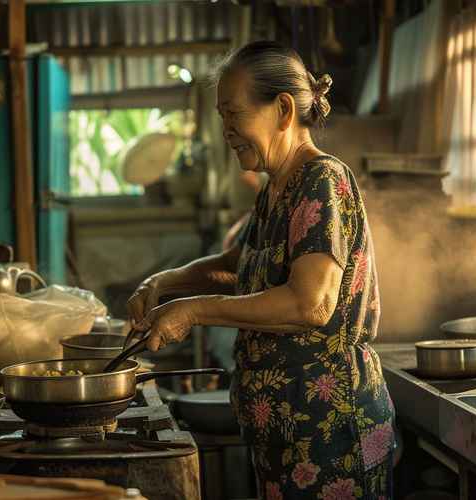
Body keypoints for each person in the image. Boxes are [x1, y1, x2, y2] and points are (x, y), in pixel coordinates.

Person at [127, 40, 395, 499]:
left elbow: (310, 304)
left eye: (234, 114)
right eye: (222, 117)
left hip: (330, 434)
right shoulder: (276, 190)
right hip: (286, 433)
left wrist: (193, 311)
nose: (226, 131)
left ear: (283, 110)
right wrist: (165, 282)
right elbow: (240, 265)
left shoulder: (321, 180)